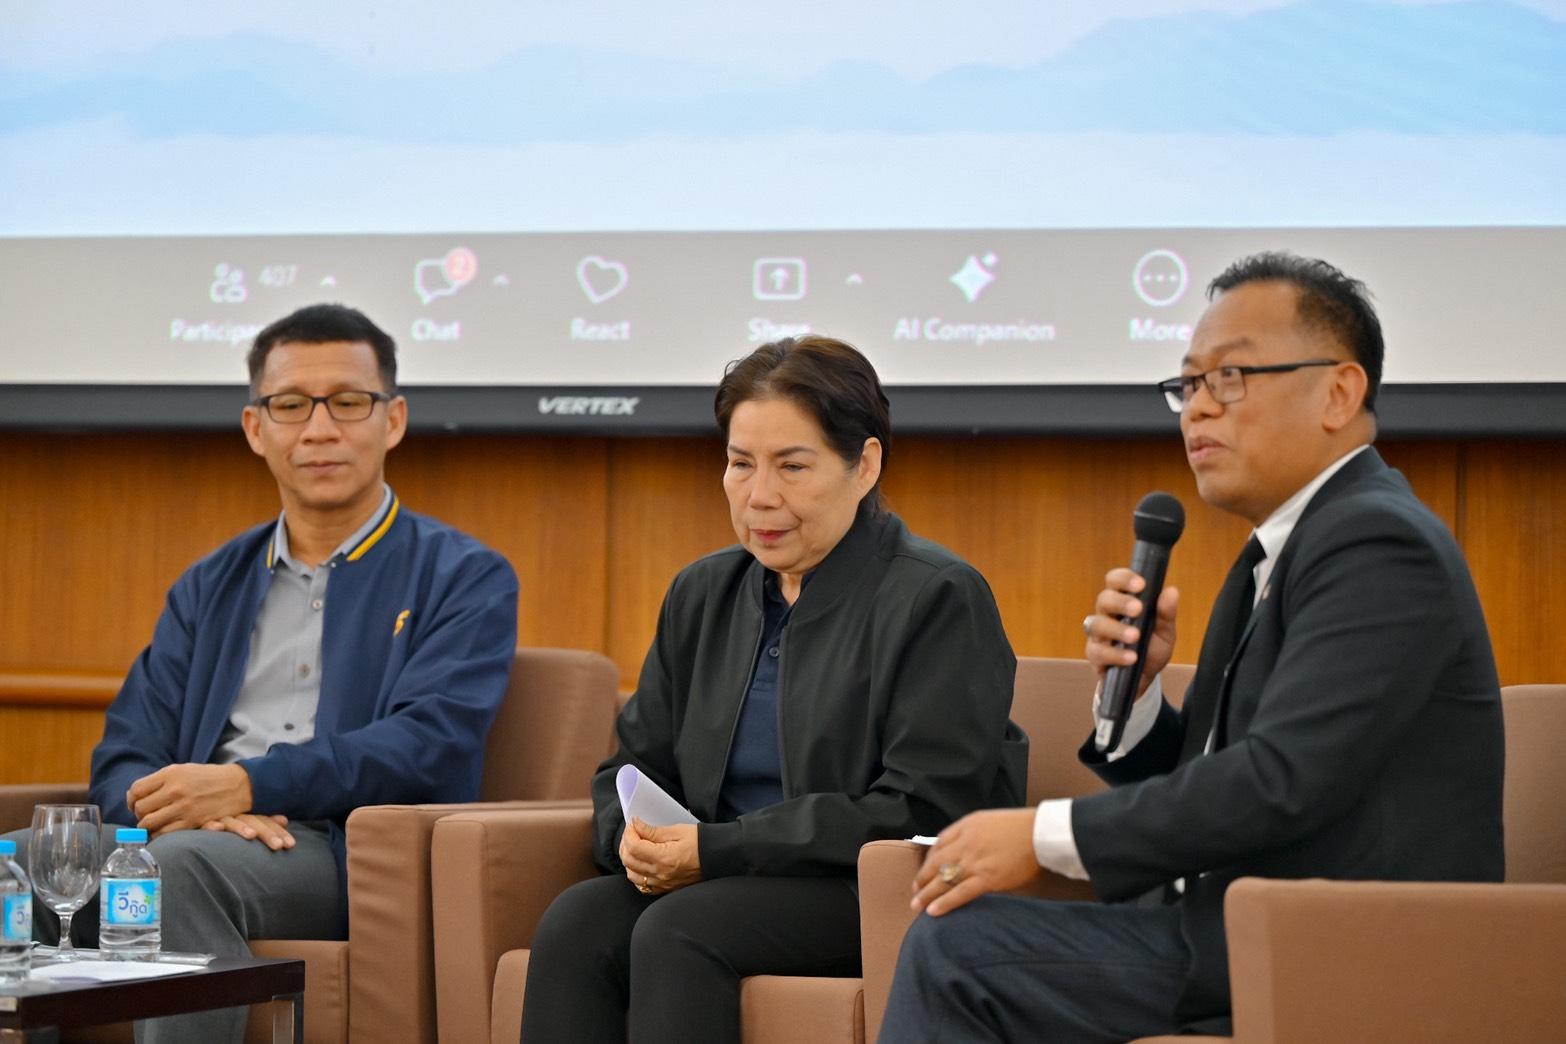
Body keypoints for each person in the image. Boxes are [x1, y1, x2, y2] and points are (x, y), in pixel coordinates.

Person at [880, 253, 1505, 1041]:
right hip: (1237, 929)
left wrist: (1042, 835)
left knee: (960, 954)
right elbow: (1226, 778)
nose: (1198, 409)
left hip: (1345, 951)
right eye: (1189, 384)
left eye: (1231, 378)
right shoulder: (1278, 551)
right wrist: (1140, 699)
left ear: (1340, 393)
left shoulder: (1378, 543)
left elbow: (1281, 781)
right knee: (963, 936)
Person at [8, 303, 519, 1044]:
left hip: (340, 847)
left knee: (177, 869)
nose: (319, 429)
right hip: (196, 831)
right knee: (20, 864)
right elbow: (125, 750)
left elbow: (428, 742)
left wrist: (250, 785)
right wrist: (189, 808)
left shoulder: (465, 576)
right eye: (290, 405)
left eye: (348, 402)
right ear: (256, 427)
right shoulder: (210, 583)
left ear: (394, 420)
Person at [520, 335, 1026, 1043]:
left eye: (792, 466)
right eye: (740, 464)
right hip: (718, 877)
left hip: (865, 887)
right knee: (576, 921)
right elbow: (632, 766)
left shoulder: (937, 596)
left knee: (680, 929)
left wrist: (718, 849)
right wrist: (628, 838)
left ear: (864, 465)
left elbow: (924, 806)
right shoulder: (703, 592)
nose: (760, 496)